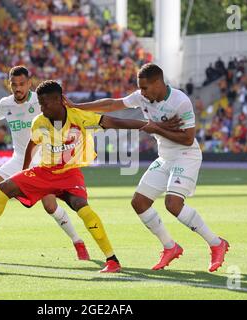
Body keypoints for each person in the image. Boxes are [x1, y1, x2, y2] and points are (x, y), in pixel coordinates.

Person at [0, 80, 179, 273]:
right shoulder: (39, 122)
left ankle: (112, 260)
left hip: (70, 173)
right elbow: (31, 145)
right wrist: (24, 171)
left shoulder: (79, 116)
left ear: (60, 100)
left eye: (46, 103)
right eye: (40, 103)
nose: (43, 108)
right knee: (1, 190)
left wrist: (152, 127)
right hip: (44, 171)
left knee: (83, 209)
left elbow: (115, 122)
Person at [66, 63, 229, 272]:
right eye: (140, 88)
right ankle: (170, 247)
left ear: (158, 84)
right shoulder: (143, 97)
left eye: (145, 88)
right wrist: (77, 106)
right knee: (139, 202)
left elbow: (188, 139)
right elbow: (112, 104)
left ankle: (216, 244)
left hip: (186, 155)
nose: (141, 93)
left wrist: (155, 128)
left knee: (173, 203)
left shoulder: (180, 101)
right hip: (165, 156)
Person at [0, 66, 90, 261]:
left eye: (22, 84)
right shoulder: (6, 104)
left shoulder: (39, 101)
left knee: (50, 206)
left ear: (29, 83)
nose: (18, 88)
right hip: (19, 158)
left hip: (43, 159)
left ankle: (78, 242)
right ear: (9, 84)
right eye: (14, 84)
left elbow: (65, 114)